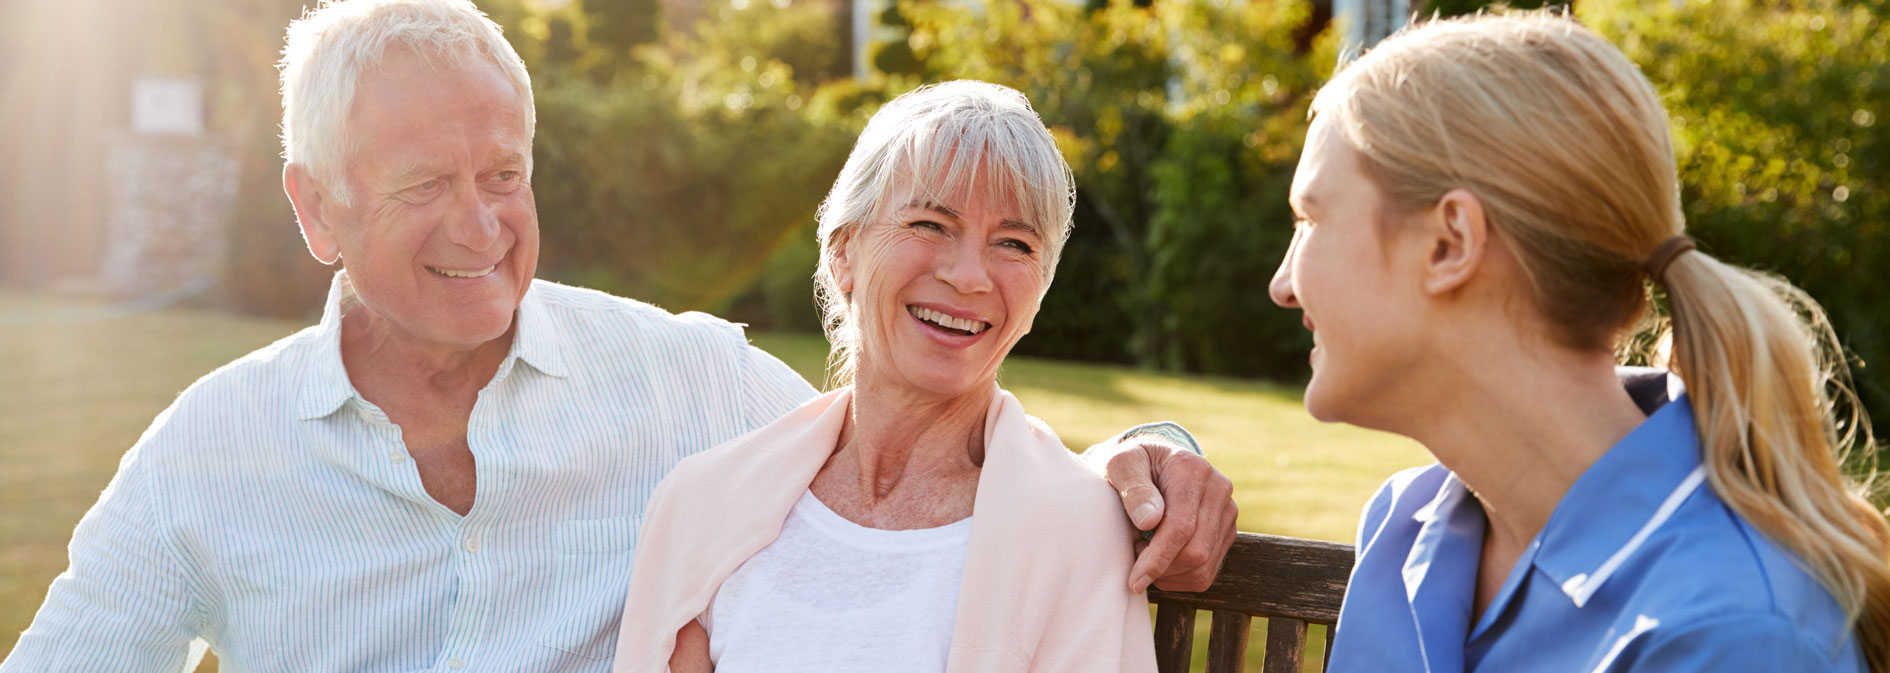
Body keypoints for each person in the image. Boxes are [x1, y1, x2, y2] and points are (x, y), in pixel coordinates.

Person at [0, 1, 1237, 670]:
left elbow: (926, 432)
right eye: (423, 183)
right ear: (315, 207)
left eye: (505, 173)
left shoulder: (682, 381)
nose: (481, 225)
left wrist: (1153, 442)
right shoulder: (210, 449)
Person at [1267, 12, 1889, 673]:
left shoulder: (1733, 631)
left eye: (1309, 218)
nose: (1283, 283)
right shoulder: (1406, 524)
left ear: (1449, 243)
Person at [613, 81, 1157, 673]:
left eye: (1014, 243)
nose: (970, 275)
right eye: (930, 224)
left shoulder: (1078, 526)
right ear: (844, 252)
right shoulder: (705, 503)